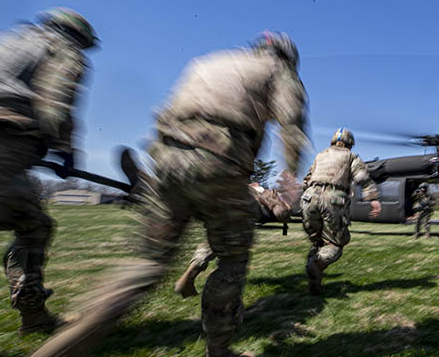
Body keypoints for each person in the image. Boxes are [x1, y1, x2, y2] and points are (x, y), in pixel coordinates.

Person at [31, 31, 309, 357]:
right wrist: (291, 174)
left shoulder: (211, 60)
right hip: (219, 161)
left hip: (166, 156)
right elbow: (292, 125)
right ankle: (219, 350)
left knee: (147, 264)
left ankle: (68, 342)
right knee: (232, 261)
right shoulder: (279, 70)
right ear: (286, 56)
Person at [0, 8, 97, 334]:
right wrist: (66, 149)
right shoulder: (62, 48)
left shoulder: (1, 43)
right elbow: (57, 102)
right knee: (35, 225)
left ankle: (36, 317)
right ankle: (34, 314)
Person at [175, 183, 292, 298]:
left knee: (212, 242)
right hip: (241, 212)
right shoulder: (266, 193)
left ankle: (189, 276)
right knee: (234, 257)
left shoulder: (240, 186)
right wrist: (285, 209)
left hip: (222, 205)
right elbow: (281, 213)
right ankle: (219, 297)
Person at [301, 127, 381, 295]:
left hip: (309, 198)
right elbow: (362, 177)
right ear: (350, 143)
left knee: (318, 242)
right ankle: (316, 264)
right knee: (335, 243)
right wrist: (373, 199)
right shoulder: (351, 156)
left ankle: (314, 286)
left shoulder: (320, 156)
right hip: (333, 199)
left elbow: (307, 179)